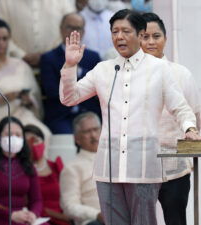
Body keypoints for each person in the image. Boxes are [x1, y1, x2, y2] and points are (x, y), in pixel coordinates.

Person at [59, 9, 201, 225]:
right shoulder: (103, 69)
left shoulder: (159, 68)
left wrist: (190, 128)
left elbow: (180, 107)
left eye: (126, 31)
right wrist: (70, 65)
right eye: (115, 31)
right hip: (108, 168)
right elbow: (70, 98)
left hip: (143, 166)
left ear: (140, 34)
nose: (119, 36)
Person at [141, 12, 201, 225]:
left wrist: (190, 148)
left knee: (176, 221)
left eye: (156, 36)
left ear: (165, 39)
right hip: (140, 167)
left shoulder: (181, 74)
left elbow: (194, 118)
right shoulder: (129, 76)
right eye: (144, 36)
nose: (150, 42)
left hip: (176, 168)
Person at [0, 19, 52, 144]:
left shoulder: (21, 65)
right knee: (9, 139)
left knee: (43, 134)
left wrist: (28, 100)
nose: (1, 43)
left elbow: (35, 99)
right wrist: (2, 98)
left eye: (4, 39)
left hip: (21, 114)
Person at [0, 117, 48, 225]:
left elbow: (37, 200)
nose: (13, 138)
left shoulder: (28, 165)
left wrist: (33, 214)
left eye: (18, 135)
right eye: (8, 134)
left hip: (23, 218)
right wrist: (11, 215)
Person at [40, 12, 101, 134]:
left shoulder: (93, 57)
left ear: (83, 32)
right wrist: (72, 71)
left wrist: (79, 71)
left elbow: (99, 88)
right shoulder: (48, 58)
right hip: (61, 116)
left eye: (77, 28)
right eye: (70, 27)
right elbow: (51, 91)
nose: (74, 32)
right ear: (61, 29)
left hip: (89, 113)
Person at [0, 0, 75, 67]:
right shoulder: (4, 3)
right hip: (15, 66)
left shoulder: (64, 2)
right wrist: (21, 55)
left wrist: (47, 56)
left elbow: (72, 31)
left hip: (56, 67)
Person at [60, 112, 104, 225]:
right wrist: (97, 214)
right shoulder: (72, 168)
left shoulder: (114, 159)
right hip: (94, 221)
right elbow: (69, 206)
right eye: (87, 132)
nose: (94, 135)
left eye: (96, 129)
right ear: (77, 139)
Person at [24, 124, 71, 225]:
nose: (33, 146)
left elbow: (68, 196)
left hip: (63, 220)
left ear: (44, 142)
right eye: (28, 143)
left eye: (35, 140)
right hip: (36, 220)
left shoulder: (56, 166)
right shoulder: (21, 171)